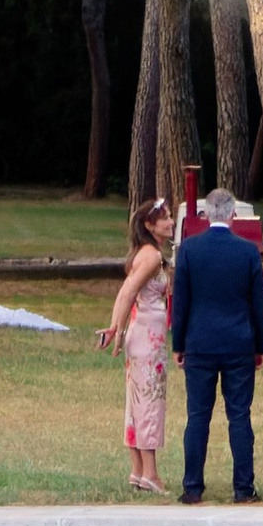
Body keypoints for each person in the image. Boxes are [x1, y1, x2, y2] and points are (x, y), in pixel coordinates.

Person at [168, 185, 263, 505]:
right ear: (234, 216)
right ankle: (243, 488)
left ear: (206, 214)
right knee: (240, 415)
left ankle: (192, 486)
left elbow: (180, 302)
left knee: (197, 415)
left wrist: (179, 342)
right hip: (239, 342)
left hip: (200, 342)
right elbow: (258, 303)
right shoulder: (248, 251)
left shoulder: (190, 250)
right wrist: (260, 346)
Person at [102, 199, 173, 495]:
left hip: (140, 333)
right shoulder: (152, 256)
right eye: (165, 218)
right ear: (149, 226)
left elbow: (127, 292)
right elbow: (128, 291)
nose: (170, 222)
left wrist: (116, 329)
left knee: (137, 402)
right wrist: (115, 327)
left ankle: (137, 470)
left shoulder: (143, 254)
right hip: (148, 336)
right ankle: (151, 474)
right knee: (150, 402)